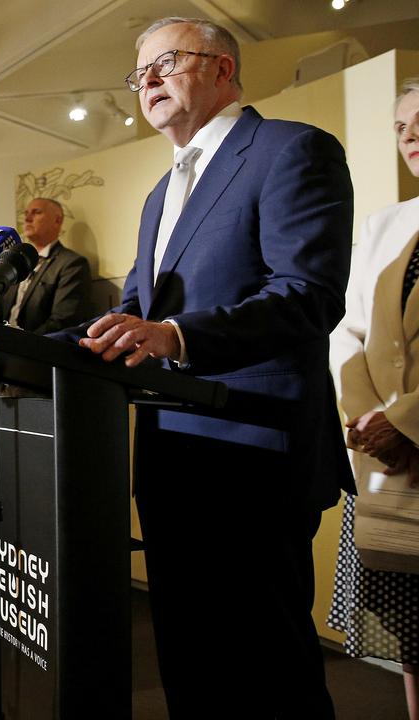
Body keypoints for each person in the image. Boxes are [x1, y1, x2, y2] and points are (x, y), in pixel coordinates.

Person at [60, 17, 353, 717]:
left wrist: (175, 336)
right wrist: (13, 342)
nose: (148, 82)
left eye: (166, 63)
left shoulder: (291, 150)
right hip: (172, 454)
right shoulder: (163, 192)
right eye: (140, 74)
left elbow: (306, 296)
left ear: (223, 68)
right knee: (191, 663)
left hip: (256, 454)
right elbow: (130, 310)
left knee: (267, 670)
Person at [328, 78, 419, 720]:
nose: (410, 135)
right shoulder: (388, 223)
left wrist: (408, 421)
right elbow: (346, 330)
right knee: (411, 630)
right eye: (400, 127)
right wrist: (370, 422)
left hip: (410, 437)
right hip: (389, 467)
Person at [0, 197, 92, 334]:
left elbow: (63, 321)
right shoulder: (14, 262)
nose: (27, 219)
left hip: (39, 350)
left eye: (36, 212)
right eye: (26, 213)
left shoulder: (72, 264)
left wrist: (19, 344)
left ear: (57, 221)